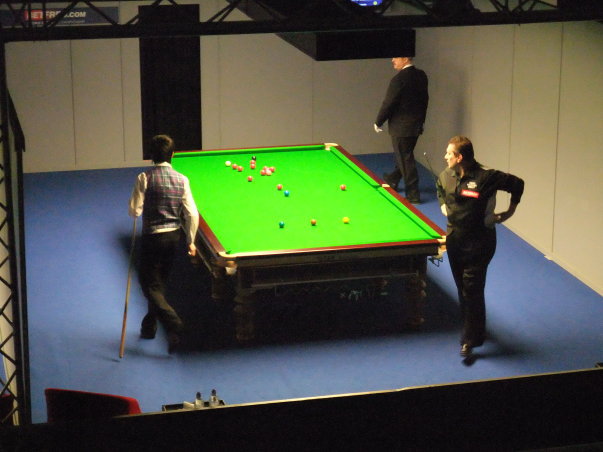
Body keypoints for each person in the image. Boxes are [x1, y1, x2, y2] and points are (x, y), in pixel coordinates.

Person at [437, 136, 524, 358]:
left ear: (459, 157)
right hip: (454, 240)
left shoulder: (487, 177)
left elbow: (517, 184)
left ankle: (470, 339)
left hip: (479, 242)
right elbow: (440, 189)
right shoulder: (446, 175)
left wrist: (510, 211)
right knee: (462, 288)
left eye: (449, 153)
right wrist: (443, 206)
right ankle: (474, 327)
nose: (445, 157)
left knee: (472, 288)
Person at [128, 134, 199, 353]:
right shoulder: (182, 179)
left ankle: (174, 323)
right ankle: (149, 326)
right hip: (173, 237)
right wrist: (191, 241)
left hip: (153, 237)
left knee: (148, 284)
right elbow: (192, 214)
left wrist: (138, 208)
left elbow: (134, 211)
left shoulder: (144, 177)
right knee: (158, 284)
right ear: (173, 155)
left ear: (151, 156)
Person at [374, 56, 428, 204]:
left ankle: (413, 194)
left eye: (396, 57)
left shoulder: (398, 79)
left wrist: (378, 121)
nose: (392, 60)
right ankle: (393, 178)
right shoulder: (421, 76)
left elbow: (389, 103)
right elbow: (425, 100)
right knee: (405, 155)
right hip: (416, 125)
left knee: (405, 159)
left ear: (405, 59)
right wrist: (421, 121)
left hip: (401, 127)